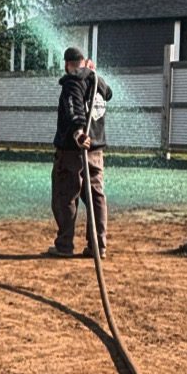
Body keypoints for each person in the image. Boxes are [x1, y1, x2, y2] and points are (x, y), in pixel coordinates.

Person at [47, 46, 112, 258]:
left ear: (67, 65)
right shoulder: (96, 81)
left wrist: (78, 133)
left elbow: (74, 109)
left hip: (74, 151)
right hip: (96, 151)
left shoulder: (72, 83)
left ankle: (65, 245)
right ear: (84, 62)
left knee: (66, 195)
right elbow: (108, 94)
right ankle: (98, 246)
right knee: (96, 197)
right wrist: (94, 74)